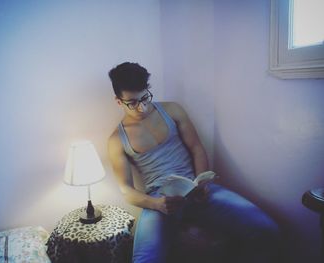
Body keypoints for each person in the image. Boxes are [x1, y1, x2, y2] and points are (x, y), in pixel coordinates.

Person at [107, 62, 280, 263]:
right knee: (144, 260)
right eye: (133, 102)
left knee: (266, 229)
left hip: (195, 188)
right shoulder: (116, 140)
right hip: (160, 200)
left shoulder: (172, 110)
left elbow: (197, 148)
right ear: (119, 101)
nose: (142, 107)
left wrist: (202, 182)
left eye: (145, 97)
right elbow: (126, 190)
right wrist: (156, 204)